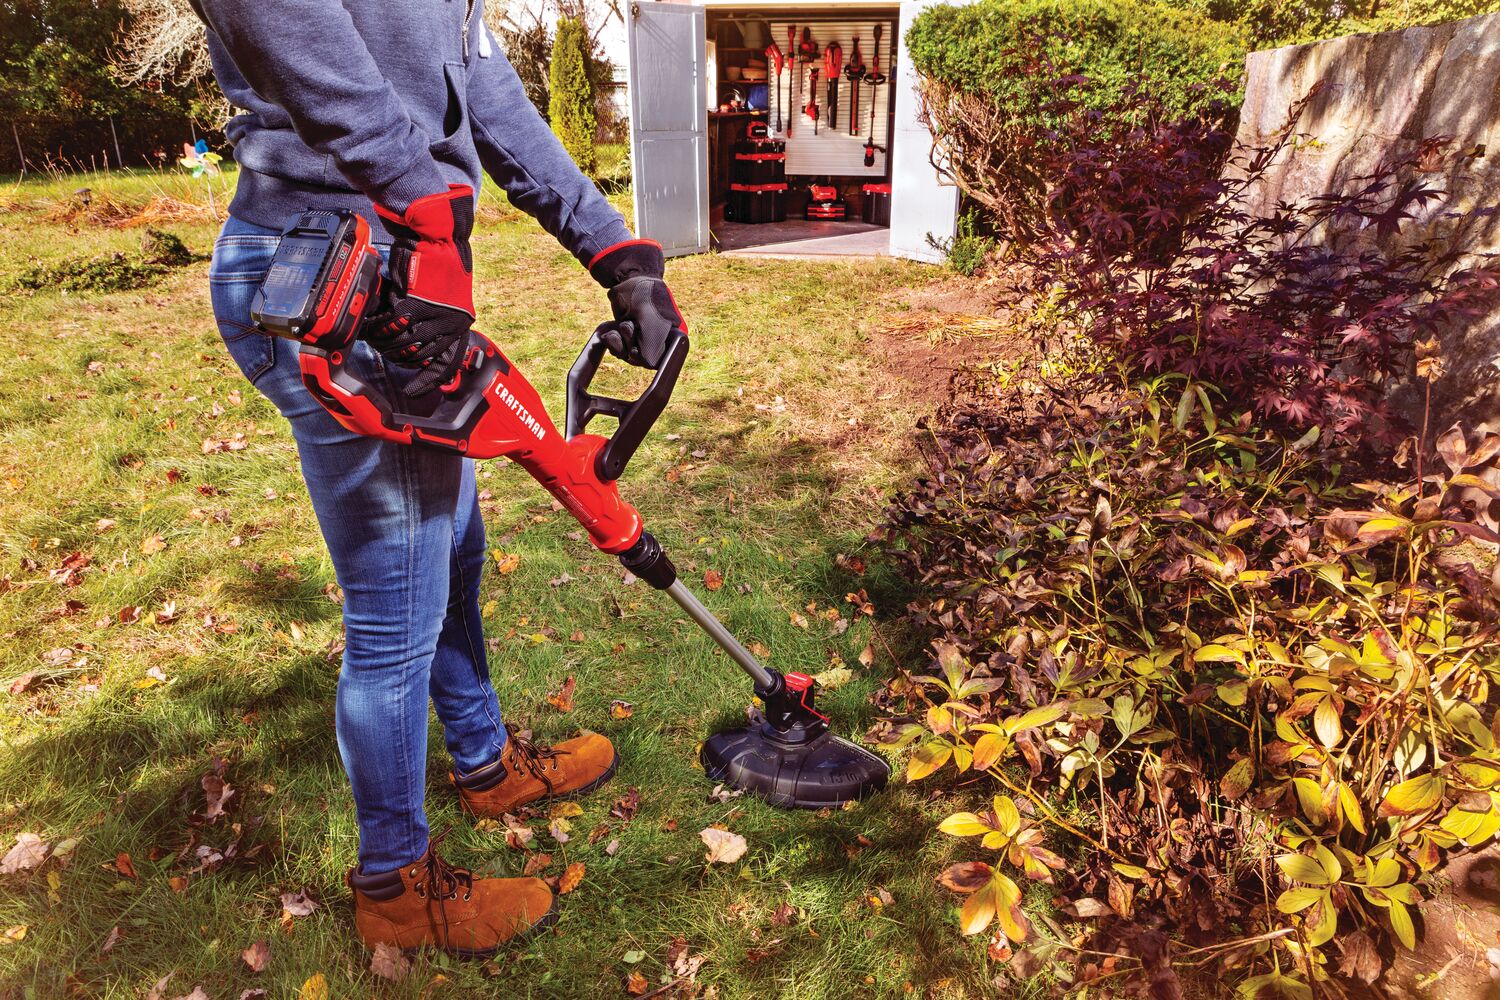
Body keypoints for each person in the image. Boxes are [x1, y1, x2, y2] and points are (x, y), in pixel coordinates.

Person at [192, 0, 686, 959]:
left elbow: (485, 93)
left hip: (401, 267)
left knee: (455, 548)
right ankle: (396, 887)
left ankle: (486, 760)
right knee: (393, 617)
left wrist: (615, 252)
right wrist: (417, 196)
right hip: (335, 268)